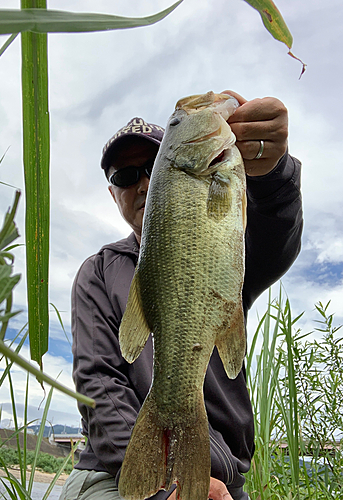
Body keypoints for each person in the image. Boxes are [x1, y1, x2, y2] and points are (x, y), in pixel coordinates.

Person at [59, 90, 303, 500]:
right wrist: (160, 486)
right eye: (124, 175)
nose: (142, 183)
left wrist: (273, 174)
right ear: (112, 193)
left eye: (153, 165)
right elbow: (98, 383)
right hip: (114, 470)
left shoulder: (230, 244)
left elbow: (276, 237)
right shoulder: (97, 274)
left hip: (222, 479)